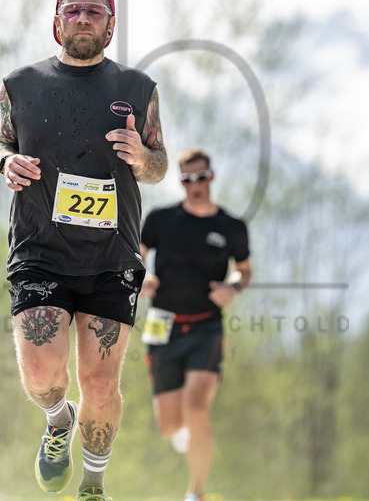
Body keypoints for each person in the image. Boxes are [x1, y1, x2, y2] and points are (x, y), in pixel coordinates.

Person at [0, 0, 167, 501]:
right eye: (74, 11)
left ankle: (93, 484)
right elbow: (1, 142)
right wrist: (6, 161)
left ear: (110, 26)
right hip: (40, 250)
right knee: (39, 373)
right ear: (57, 23)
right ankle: (57, 420)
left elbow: (159, 165)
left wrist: (143, 158)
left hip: (112, 256)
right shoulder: (20, 84)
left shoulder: (138, 89)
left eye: (94, 11)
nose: (83, 18)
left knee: (101, 382)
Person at [138, 147, 253, 501]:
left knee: (197, 408)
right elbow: (135, 258)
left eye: (201, 177)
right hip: (162, 325)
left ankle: (196, 493)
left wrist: (233, 288)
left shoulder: (232, 227)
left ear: (211, 177)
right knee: (169, 425)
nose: (195, 185)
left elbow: (244, 271)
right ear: (181, 182)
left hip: (206, 326)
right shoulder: (160, 219)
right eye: (188, 179)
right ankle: (187, 432)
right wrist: (140, 280)